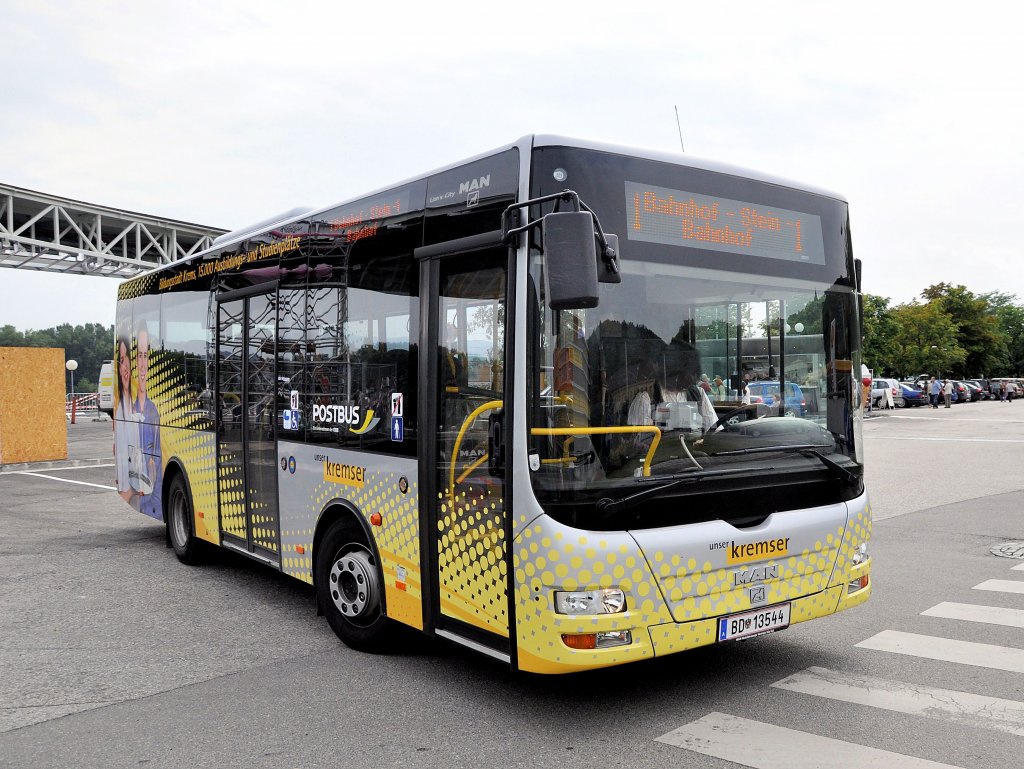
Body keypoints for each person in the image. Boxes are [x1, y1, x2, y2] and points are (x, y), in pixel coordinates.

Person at [134, 322, 163, 519]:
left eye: (146, 356)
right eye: (139, 356)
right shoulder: (128, 410)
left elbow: (158, 467)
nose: (143, 363)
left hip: (152, 494)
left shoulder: (154, 410)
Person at [114, 336, 140, 510]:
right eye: (121, 361)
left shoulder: (137, 404)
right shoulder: (120, 409)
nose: (124, 368)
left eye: (126, 361)